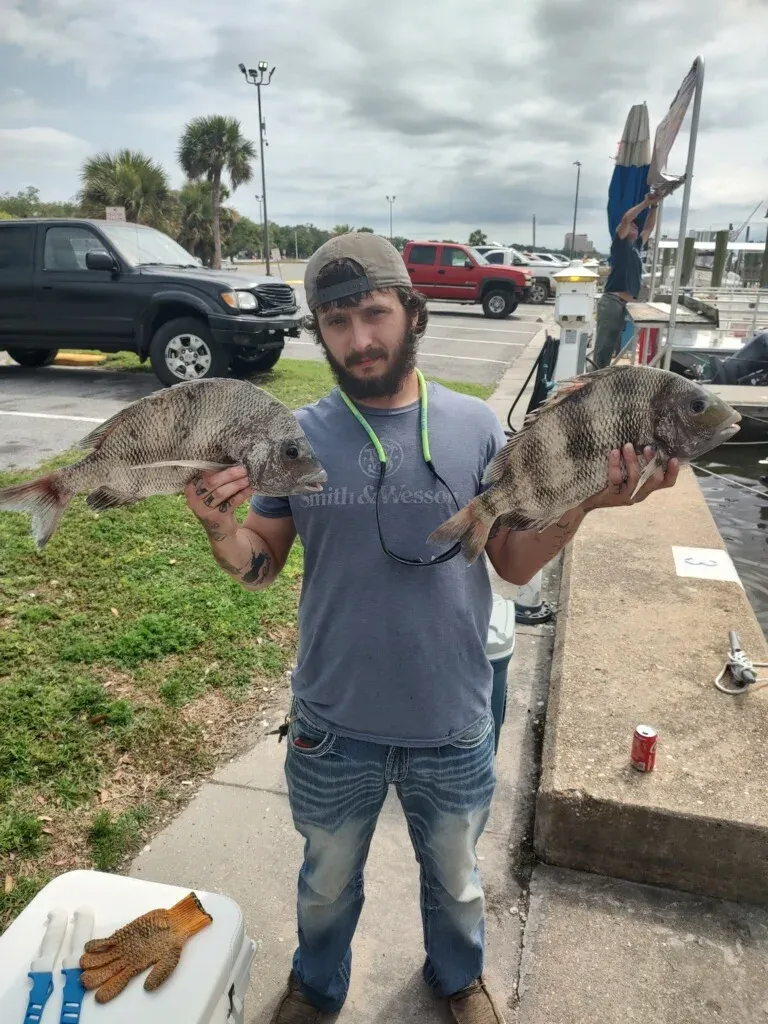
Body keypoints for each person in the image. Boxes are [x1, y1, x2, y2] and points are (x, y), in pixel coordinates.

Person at [184, 232, 678, 1023]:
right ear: (320, 330)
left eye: (374, 315)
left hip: (450, 717)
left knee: (455, 878)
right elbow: (263, 562)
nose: (360, 340)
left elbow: (513, 563)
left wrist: (581, 501)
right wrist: (220, 531)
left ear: (412, 312)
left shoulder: (477, 428)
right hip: (332, 720)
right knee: (325, 878)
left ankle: (458, 978)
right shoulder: (292, 439)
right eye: (337, 323)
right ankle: (316, 986)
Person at [592, 192, 660, 368]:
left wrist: (654, 207)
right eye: (632, 227)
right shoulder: (620, 243)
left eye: (636, 227)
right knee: (603, 347)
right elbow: (626, 219)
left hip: (624, 304)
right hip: (613, 301)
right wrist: (645, 203)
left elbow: (649, 228)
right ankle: (594, 381)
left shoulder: (636, 246)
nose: (635, 228)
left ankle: (602, 377)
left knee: (613, 345)